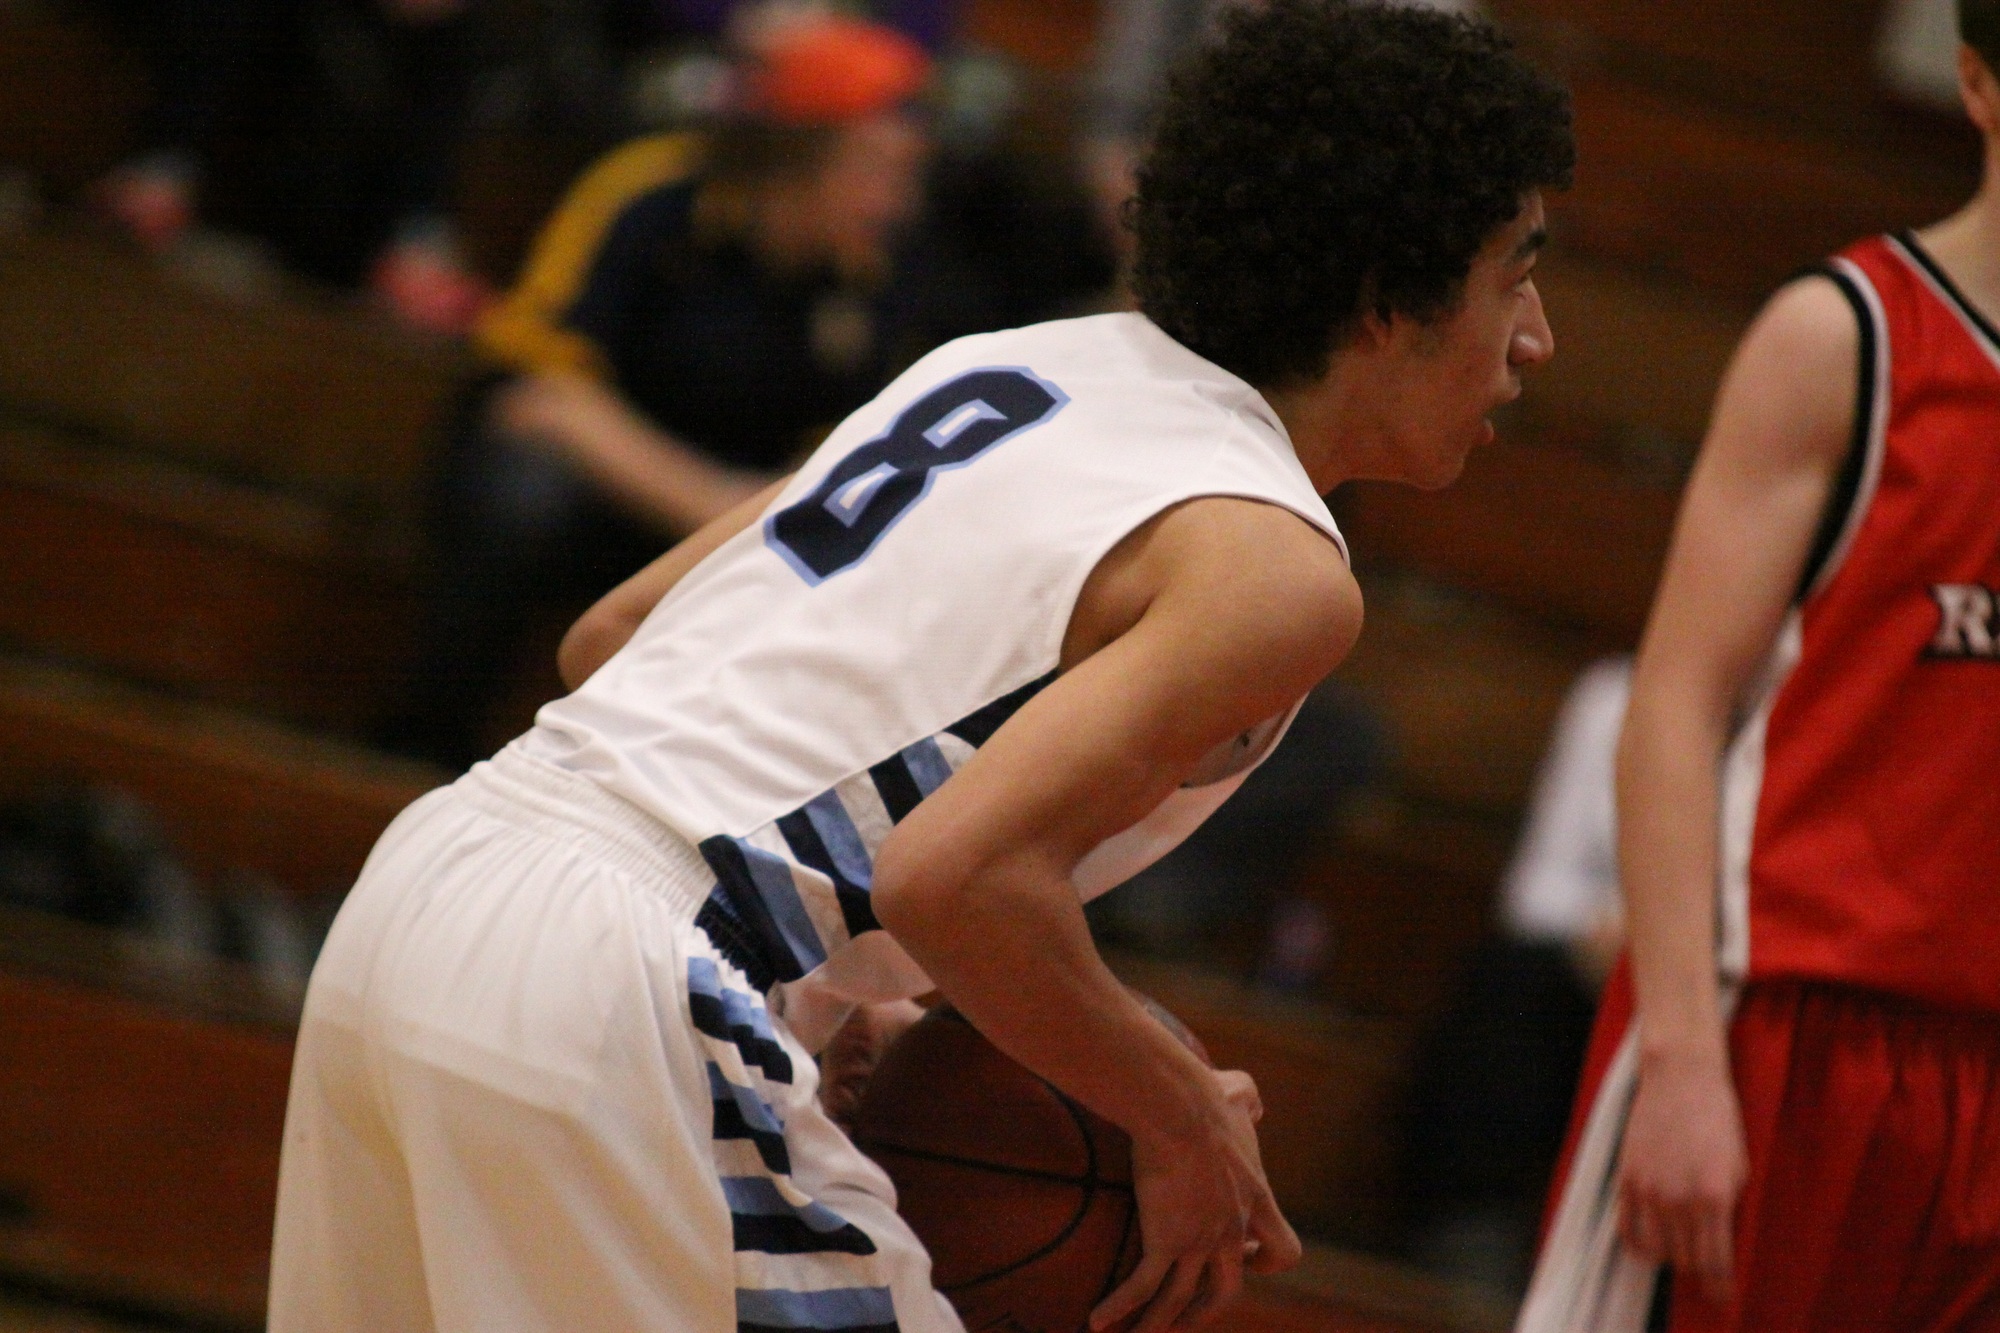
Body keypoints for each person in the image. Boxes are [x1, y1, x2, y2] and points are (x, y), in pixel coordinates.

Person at [269, 3, 1571, 1330]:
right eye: (1512, 274)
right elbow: (954, 877)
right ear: (1386, 301)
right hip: (637, 987)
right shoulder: (1274, 566)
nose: (1534, 337)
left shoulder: (1009, 364)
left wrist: (845, 986)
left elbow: (613, 638)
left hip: (429, 891)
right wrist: (1180, 1114)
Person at [1519, 6, 2000, 1330]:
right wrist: (1681, 1058)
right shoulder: (1849, 336)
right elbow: (1671, 704)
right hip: (1787, 1025)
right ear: (1975, 85)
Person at [387, 15, 933, 768]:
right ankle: (424, 746)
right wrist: (711, 500)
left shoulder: (881, 278)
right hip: (605, 493)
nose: (900, 202)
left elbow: (840, 473)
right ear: (800, 156)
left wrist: (726, 511)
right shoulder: (652, 194)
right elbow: (534, 389)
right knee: (521, 491)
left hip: (724, 525)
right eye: (880, 170)